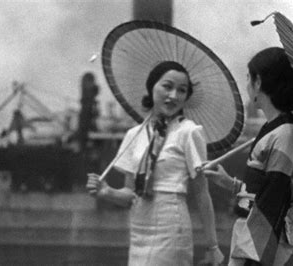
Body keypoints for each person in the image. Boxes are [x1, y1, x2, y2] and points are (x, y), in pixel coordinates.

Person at [86, 61, 224, 266]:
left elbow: (202, 192)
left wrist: (213, 246)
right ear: (152, 87)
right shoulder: (135, 134)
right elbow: (130, 194)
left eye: (182, 90)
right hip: (139, 226)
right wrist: (106, 191)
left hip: (171, 224)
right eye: (167, 86)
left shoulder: (189, 131)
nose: (174, 95)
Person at [203, 47, 293, 266]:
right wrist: (229, 183)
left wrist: (243, 261)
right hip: (254, 239)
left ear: (258, 83)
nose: (247, 85)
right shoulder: (278, 129)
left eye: (249, 79)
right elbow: (262, 190)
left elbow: (272, 203)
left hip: (263, 249)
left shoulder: (286, 135)